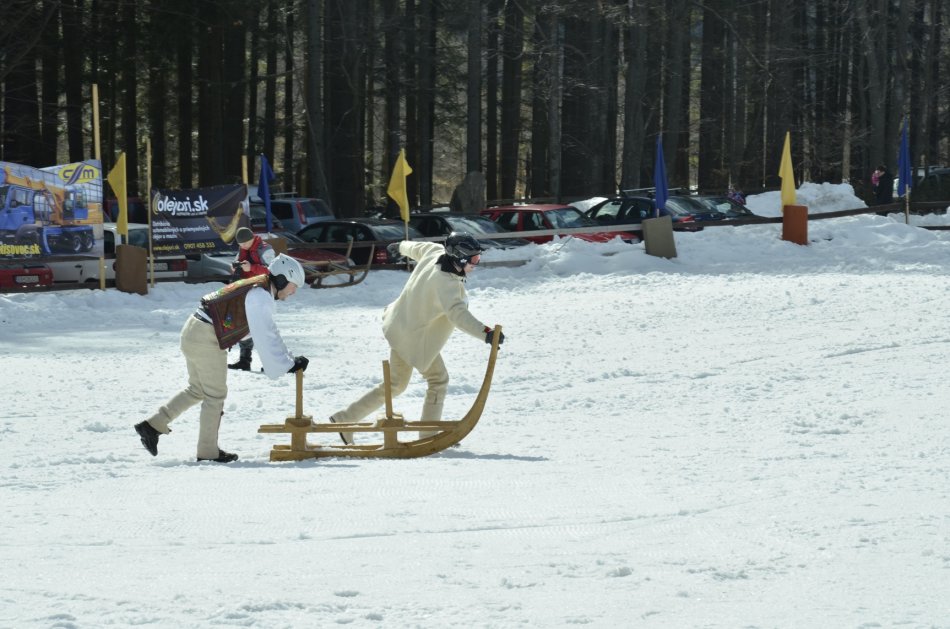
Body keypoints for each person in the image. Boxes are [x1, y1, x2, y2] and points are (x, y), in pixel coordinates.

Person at [329, 232, 504, 444]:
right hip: (415, 338)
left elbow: (417, 248)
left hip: (400, 327)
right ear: (460, 258)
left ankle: (345, 418)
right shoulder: (446, 284)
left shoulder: (435, 252)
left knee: (396, 384)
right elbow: (458, 314)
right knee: (438, 380)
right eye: (474, 259)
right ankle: (428, 435)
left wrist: (399, 246)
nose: (477, 263)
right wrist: (486, 333)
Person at [134, 254, 310, 463]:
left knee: (198, 390)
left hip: (193, 331)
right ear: (281, 280)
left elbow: (265, 331)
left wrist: (288, 360)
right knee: (215, 395)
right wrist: (288, 364)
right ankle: (207, 452)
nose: (294, 291)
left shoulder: (259, 289)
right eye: (293, 286)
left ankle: (153, 425)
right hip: (205, 337)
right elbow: (266, 334)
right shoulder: (260, 296)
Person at [228, 226, 275, 371]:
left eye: (245, 243)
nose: (243, 246)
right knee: (244, 326)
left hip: (262, 292)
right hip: (246, 291)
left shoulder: (266, 250)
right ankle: (245, 360)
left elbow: (272, 271)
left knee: (262, 327)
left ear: (252, 239)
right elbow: (237, 264)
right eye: (240, 244)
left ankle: (271, 361)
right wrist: (235, 268)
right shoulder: (242, 250)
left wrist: (252, 268)